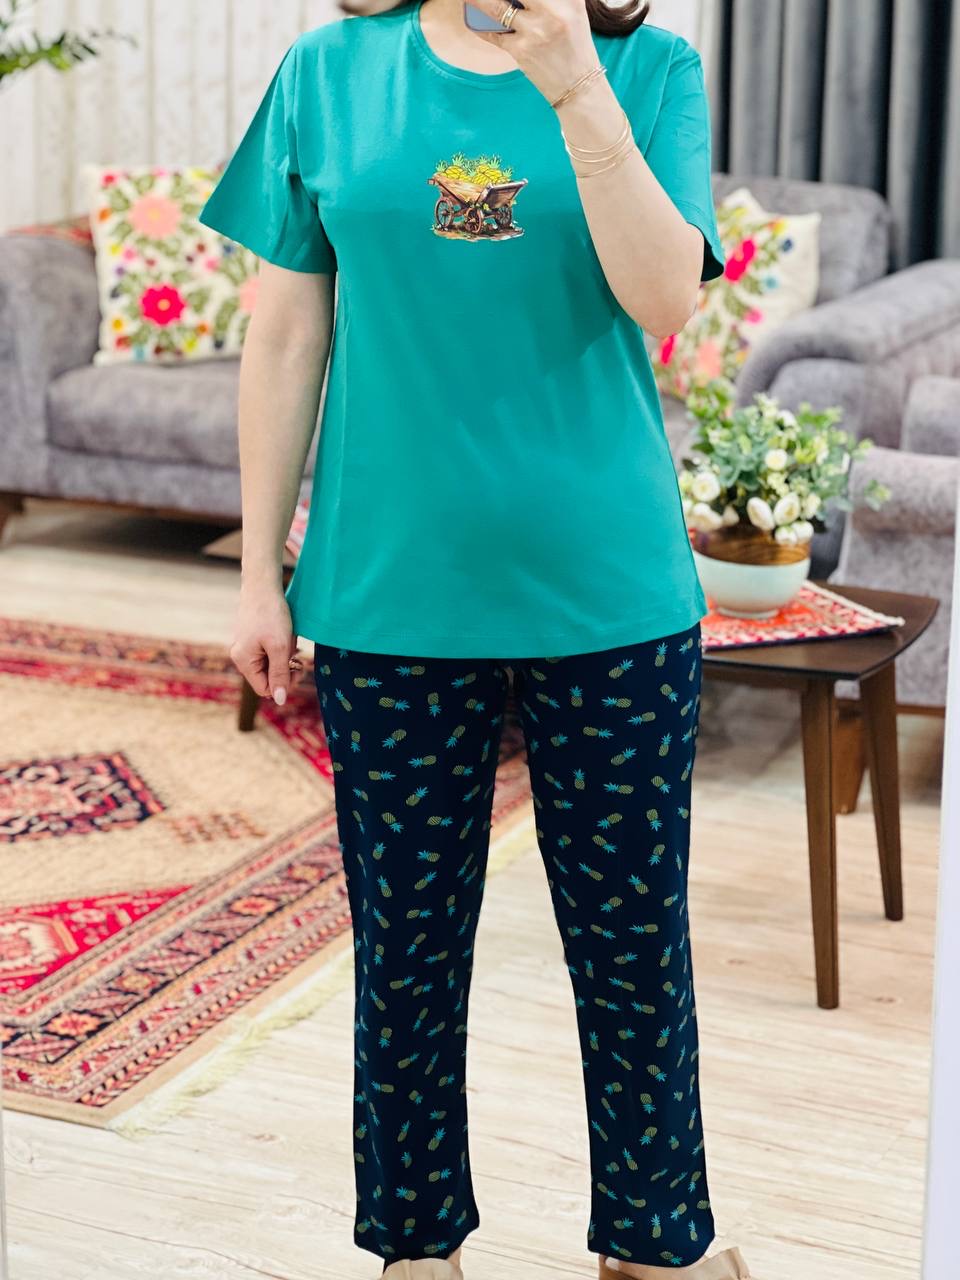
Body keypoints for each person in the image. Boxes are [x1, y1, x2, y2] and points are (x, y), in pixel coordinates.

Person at [198, 0, 752, 1277]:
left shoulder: (649, 69)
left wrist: (576, 88)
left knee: (632, 947)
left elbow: (664, 295)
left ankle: (655, 1242)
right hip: (387, 591)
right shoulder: (327, 70)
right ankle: (415, 1244)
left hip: (609, 593)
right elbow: (286, 331)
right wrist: (259, 573)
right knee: (405, 950)